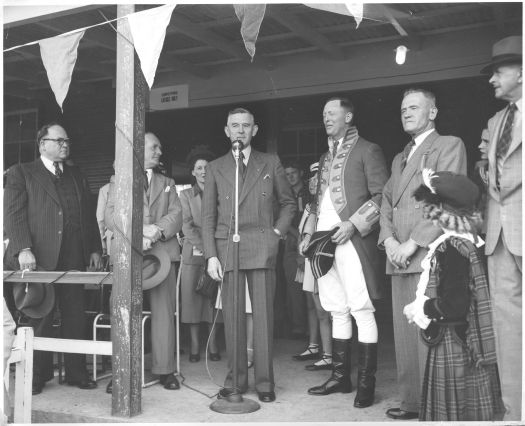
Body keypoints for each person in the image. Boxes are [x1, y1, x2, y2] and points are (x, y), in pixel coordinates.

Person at [378, 88, 467, 420]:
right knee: (404, 336)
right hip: (397, 254)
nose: (406, 113)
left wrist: (412, 243)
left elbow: (448, 198)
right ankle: (412, 402)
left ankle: (433, 406)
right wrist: (388, 242)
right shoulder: (399, 157)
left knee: (428, 333)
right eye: (403, 109)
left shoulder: (447, 145)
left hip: (427, 252)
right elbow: (386, 201)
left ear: (433, 112)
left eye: (414, 107)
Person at [202, 107, 296, 403]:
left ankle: (265, 383)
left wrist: (276, 235)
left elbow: (288, 204)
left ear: (255, 130)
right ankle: (236, 382)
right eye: (235, 126)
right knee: (233, 319)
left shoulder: (269, 162)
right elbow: (207, 217)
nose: (240, 131)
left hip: (260, 246)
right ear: (226, 130)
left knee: (264, 318)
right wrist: (211, 256)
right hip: (227, 247)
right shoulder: (216, 167)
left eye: (246, 126)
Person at [299, 97, 388, 408]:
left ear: (349, 116)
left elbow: (381, 196)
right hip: (322, 242)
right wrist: (308, 232)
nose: (326, 118)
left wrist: (354, 224)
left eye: (332, 113)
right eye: (323, 114)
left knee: (361, 309)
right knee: (336, 308)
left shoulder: (368, 149)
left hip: (352, 240)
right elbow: (316, 202)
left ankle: (367, 383)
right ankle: (340, 377)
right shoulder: (324, 157)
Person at [3, 122, 102, 395]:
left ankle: (76, 372)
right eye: (58, 141)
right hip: (39, 257)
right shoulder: (21, 173)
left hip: (74, 255)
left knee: (75, 315)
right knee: (40, 315)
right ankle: (37, 375)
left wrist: (94, 248)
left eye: (66, 140)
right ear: (42, 143)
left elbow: (87, 216)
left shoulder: (76, 174)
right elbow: (13, 214)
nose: (64, 145)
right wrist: (23, 248)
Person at [404, 170, 503, 421]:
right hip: (472, 342)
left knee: (456, 413)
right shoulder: (474, 242)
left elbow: (454, 306)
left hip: (455, 344)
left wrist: (422, 308)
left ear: (441, 212)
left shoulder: (451, 248)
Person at [105, 132, 182, 392]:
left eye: (160, 147)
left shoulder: (168, 182)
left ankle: (165, 370)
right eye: (154, 146)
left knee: (163, 314)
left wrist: (157, 230)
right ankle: (122, 371)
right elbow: (112, 215)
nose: (160, 151)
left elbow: (177, 215)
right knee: (124, 312)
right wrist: (139, 233)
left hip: (162, 256)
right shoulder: (120, 180)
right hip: (130, 255)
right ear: (139, 149)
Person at [480, 35, 522, 421]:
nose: (492, 79)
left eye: (499, 71)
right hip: (499, 237)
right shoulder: (496, 120)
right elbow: (490, 171)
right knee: (507, 329)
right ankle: (514, 412)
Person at [179, 148, 220, 362]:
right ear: (193, 172)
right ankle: (195, 345)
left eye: (207, 167)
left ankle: (212, 344)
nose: (204, 171)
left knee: (213, 300)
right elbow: (186, 226)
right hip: (194, 253)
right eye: (199, 168)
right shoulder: (185, 195)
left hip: (217, 252)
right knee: (192, 300)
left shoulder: (220, 192)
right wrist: (207, 249)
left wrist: (213, 250)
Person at [292, 162, 333, 371]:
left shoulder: (328, 207)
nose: (313, 181)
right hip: (307, 261)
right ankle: (314, 346)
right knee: (311, 305)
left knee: (324, 308)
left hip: (322, 259)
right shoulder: (310, 206)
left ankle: (329, 354)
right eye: (312, 177)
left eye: (318, 177)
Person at [282, 160, 309, 338]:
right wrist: (296, 234)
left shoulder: (309, 192)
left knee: (310, 289)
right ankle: (298, 326)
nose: (290, 177)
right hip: (291, 244)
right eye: (286, 174)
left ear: (300, 173)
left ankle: (311, 327)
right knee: (293, 289)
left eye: (293, 172)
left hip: (309, 242)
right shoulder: (284, 195)